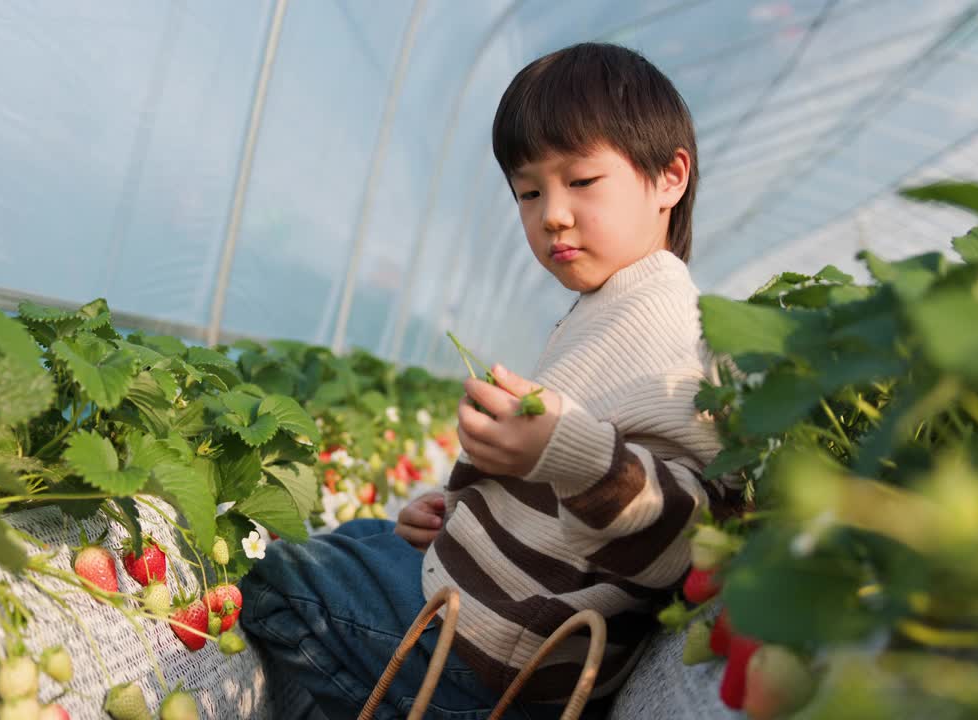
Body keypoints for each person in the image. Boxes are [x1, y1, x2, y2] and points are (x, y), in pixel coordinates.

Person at [239, 42, 743, 720]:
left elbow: (690, 531)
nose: (552, 214)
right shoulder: (613, 303)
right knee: (361, 535)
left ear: (669, 178)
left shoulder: (674, 335)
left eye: (581, 181)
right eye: (529, 192)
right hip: (484, 608)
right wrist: (467, 512)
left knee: (279, 584)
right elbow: (568, 502)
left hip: (495, 658)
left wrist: (563, 452)